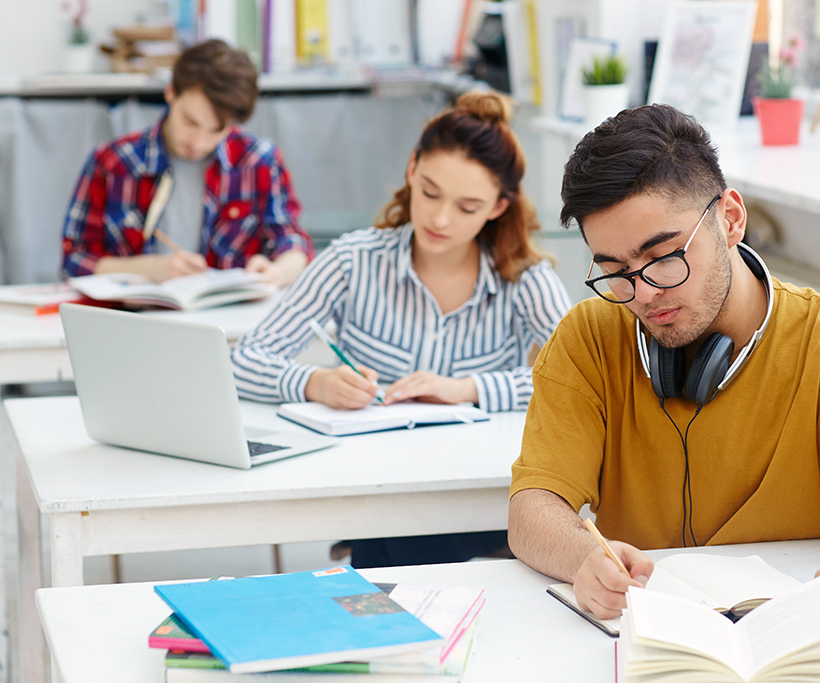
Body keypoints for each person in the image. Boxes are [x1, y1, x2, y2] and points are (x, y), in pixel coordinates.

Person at [508, 104, 820, 637]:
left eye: (664, 257)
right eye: (616, 273)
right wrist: (581, 558)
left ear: (730, 220)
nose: (644, 294)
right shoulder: (587, 339)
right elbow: (532, 509)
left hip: (793, 644)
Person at [231, 90, 572, 567]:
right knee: (397, 545)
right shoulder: (353, 261)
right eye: (430, 192)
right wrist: (315, 382)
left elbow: (580, 379)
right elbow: (242, 361)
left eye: (467, 206)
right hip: (374, 488)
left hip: (475, 493)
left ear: (498, 206)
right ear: (411, 169)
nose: (439, 218)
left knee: (401, 551)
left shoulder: (524, 277)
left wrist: (467, 389)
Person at [61, 39, 313, 287]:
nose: (199, 142)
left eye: (217, 130)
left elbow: (292, 242)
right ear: (171, 92)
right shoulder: (113, 162)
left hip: (229, 322)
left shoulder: (259, 161)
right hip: (135, 319)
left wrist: (277, 272)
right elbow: (75, 259)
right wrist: (146, 269)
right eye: (190, 122)